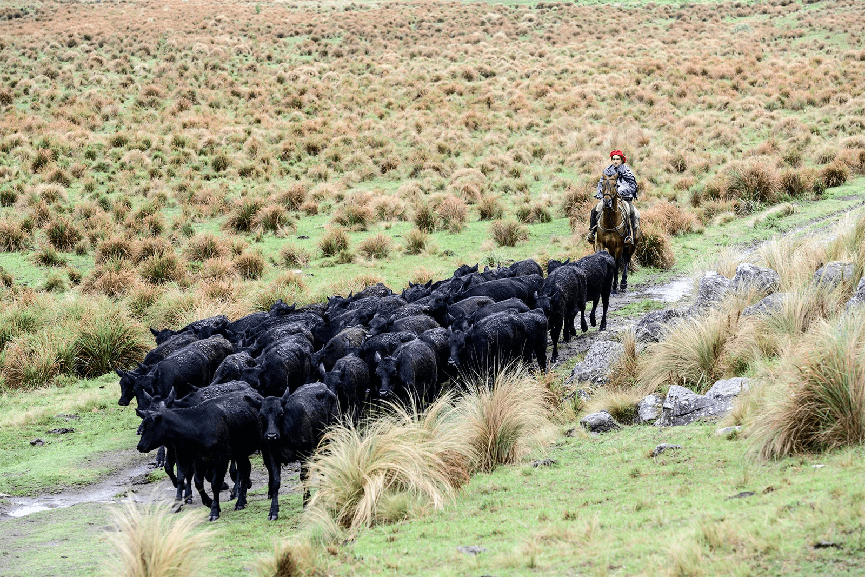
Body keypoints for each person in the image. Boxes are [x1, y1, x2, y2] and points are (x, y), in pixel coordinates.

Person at [586, 150, 639, 245]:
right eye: (613, 159)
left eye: (618, 159)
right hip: (609, 197)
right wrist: (600, 194)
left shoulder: (627, 171)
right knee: (595, 210)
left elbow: (632, 186)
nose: (615, 161)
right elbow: (601, 184)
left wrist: (619, 192)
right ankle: (592, 233)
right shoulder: (607, 171)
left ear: (622, 160)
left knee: (632, 212)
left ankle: (630, 235)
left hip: (624, 198)